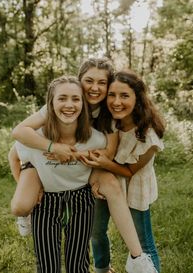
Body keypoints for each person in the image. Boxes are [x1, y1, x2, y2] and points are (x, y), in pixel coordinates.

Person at [11, 58, 158, 273]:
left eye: (102, 83)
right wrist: (53, 147)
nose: (95, 88)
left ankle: (137, 258)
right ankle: (28, 212)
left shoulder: (108, 114)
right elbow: (17, 143)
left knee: (111, 186)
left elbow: (105, 154)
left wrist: (70, 153)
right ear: (80, 81)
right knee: (23, 205)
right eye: (89, 81)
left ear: (109, 86)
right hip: (46, 159)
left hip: (87, 162)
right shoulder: (62, 101)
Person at [9, 76, 107, 273]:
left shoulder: (96, 139)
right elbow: (14, 156)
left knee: (78, 262)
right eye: (62, 98)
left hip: (81, 200)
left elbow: (101, 164)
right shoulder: (36, 137)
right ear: (50, 104)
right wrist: (29, 188)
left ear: (84, 104)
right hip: (46, 202)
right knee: (47, 265)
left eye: (75, 99)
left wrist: (96, 180)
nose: (69, 105)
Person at [81, 70, 165, 273]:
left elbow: (129, 172)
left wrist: (104, 164)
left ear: (138, 98)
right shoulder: (106, 121)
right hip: (106, 181)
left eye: (124, 95)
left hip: (134, 186)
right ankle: (103, 269)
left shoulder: (148, 136)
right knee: (96, 231)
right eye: (112, 95)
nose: (116, 102)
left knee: (141, 241)